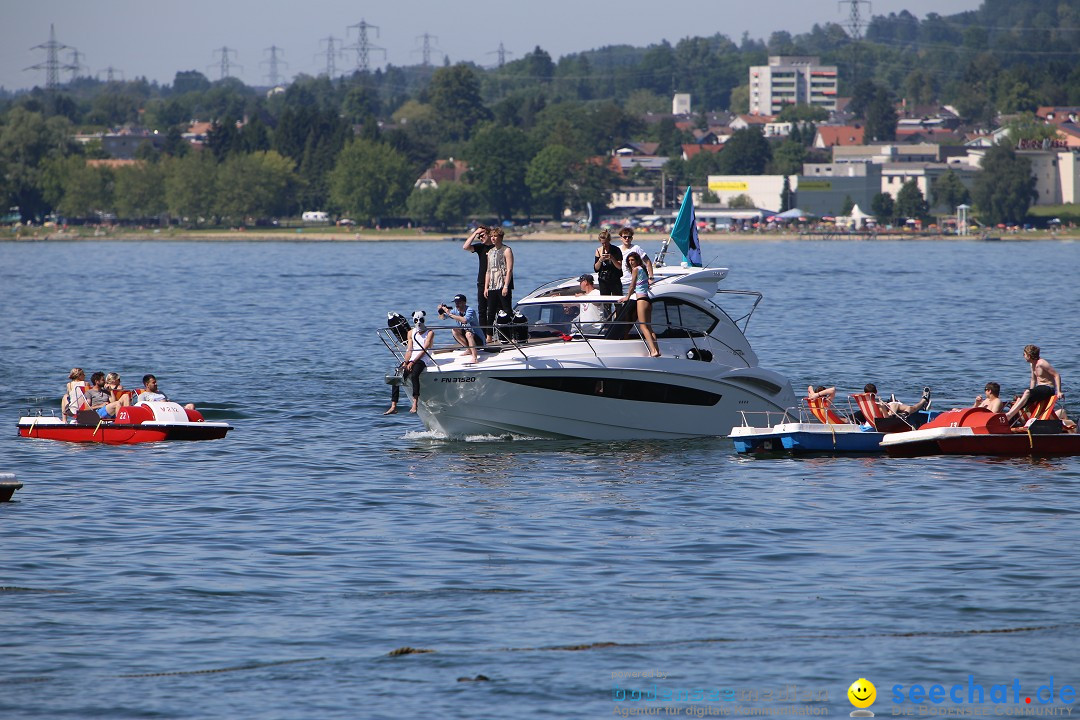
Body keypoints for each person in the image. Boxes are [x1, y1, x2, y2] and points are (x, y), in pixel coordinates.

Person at [386, 310, 435, 415]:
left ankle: (415, 403)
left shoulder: (429, 332)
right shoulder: (411, 332)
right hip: (412, 358)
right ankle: (394, 405)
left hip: (423, 358)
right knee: (397, 376)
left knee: (414, 375)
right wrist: (406, 362)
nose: (418, 322)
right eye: (416, 320)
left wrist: (412, 362)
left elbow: (424, 349)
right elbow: (409, 349)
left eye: (421, 320)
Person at [1005, 344, 1063, 422]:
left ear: (1029, 355)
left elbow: (1056, 375)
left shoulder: (1041, 363)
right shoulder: (1032, 364)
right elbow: (1033, 380)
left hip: (1048, 388)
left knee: (1027, 392)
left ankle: (1009, 415)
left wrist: (1059, 391)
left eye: (1024, 354)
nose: (1023, 356)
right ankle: (1009, 418)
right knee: (1019, 398)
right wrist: (1031, 393)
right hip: (1039, 389)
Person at [620, 252, 661, 357]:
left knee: (643, 327)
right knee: (649, 327)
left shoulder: (636, 270)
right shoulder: (643, 270)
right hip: (647, 300)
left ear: (637, 260)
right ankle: (657, 350)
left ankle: (653, 351)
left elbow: (632, 285)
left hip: (641, 300)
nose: (631, 262)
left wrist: (627, 297)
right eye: (629, 261)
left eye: (632, 260)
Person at [462, 226, 493, 342]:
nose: (480, 238)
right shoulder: (480, 247)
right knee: (482, 310)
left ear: (489, 234)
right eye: (479, 236)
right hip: (481, 281)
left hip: (495, 282)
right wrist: (475, 232)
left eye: (482, 235)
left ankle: (493, 333)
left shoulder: (497, 247)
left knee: (494, 309)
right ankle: (484, 335)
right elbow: (465, 247)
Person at [483, 228, 514, 340]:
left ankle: (511, 333)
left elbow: (509, 269)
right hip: (492, 284)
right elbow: (488, 270)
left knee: (507, 309)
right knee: (490, 311)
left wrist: (506, 286)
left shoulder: (507, 250)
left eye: (495, 236)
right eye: (491, 236)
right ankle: (489, 336)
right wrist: (486, 287)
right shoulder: (490, 252)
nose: (493, 238)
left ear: (500, 237)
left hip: (502, 283)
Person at [440, 293, 483, 364]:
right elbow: (443, 317)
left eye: (459, 302)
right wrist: (441, 311)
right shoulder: (455, 310)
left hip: (478, 339)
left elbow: (464, 320)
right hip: (467, 336)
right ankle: (469, 349)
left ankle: (475, 358)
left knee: (468, 334)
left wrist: (450, 314)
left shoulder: (470, 310)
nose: (457, 305)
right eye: (456, 303)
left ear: (464, 302)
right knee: (454, 330)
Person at [863, 382, 931, 418]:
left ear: (864, 393)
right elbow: (886, 419)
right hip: (891, 415)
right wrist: (884, 407)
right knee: (909, 407)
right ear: (876, 392)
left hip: (889, 410)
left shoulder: (864, 405)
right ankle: (924, 400)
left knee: (894, 404)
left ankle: (903, 413)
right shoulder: (879, 405)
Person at [618, 227, 654, 293]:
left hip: (634, 282)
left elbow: (648, 262)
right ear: (621, 238)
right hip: (620, 282)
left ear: (632, 238)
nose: (627, 239)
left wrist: (651, 278)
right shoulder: (617, 249)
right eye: (625, 237)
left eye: (629, 237)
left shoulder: (636, 248)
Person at [593, 229, 623, 297]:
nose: (604, 245)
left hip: (615, 279)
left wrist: (612, 258)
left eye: (606, 243)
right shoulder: (598, 250)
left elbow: (619, 267)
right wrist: (600, 260)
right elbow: (596, 269)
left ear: (609, 241)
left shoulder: (616, 250)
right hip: (603, 279)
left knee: (618, 300)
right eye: (602, 243)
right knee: (605, 303)